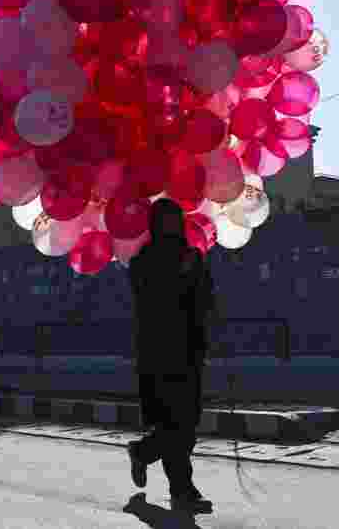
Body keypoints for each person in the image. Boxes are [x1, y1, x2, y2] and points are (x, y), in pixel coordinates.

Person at [126, 198, 215, 514]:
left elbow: (206, 300)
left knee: (187, 424)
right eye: (166, 220)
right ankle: (182, 491)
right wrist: (180, 276)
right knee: (173, 423)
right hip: (158, 355)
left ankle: (143, 452)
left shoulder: (193, 256)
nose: (172, 226)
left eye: (176, 220)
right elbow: (151, 302)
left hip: (190, 351)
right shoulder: (143, 262)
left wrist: (195, 277)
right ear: (155, 224)